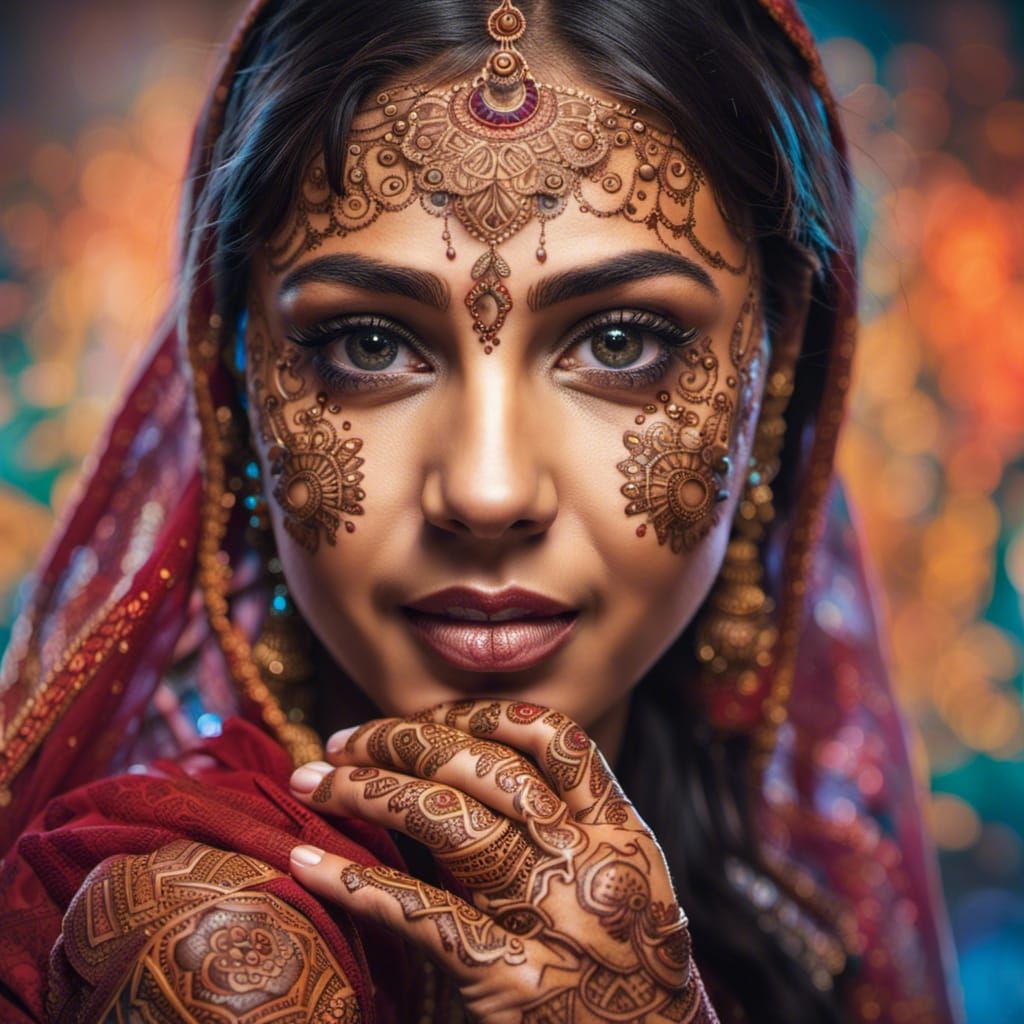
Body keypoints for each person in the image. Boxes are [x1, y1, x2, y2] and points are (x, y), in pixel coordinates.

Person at [0, 0, 963, 1021]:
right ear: (234, 383)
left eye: (622, 341)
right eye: (369, 344)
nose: (488, 490)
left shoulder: (786, 916)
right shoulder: (219, 953)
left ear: (776, 373)